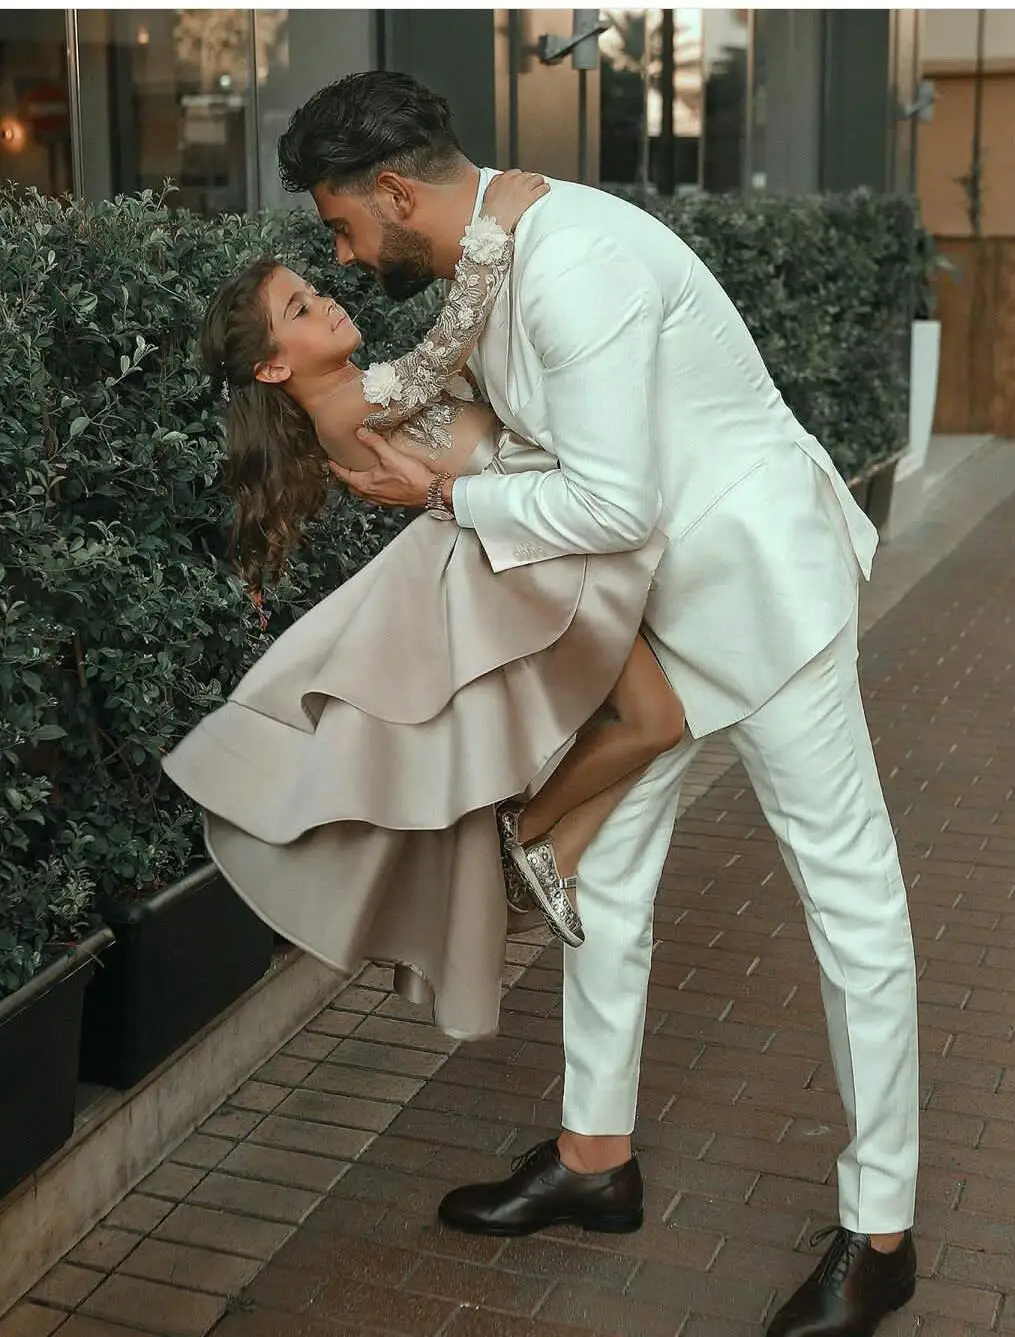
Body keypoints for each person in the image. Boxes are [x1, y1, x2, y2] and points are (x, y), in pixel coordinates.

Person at [274, 70, 921, 1337]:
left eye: (344, 225)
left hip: (762, 593)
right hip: (650, 616)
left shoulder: (572, 267)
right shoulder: (490, 251)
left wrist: (448, 499)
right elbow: (448, 397)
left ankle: (882, 1229)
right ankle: (594, 1156)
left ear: (397, 191)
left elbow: (615, 502)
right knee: (609, 877)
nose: (341, 251)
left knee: (851, 902)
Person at [163, 168, 688, 1045]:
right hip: (521, 560)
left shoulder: (357, 392)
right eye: (299, 309)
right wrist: (494, 233)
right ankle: (536, 838)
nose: (325, 299)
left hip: (528, 544)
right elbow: (442, 352)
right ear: (273, 366)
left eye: (312, 290)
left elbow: (451, 372)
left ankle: (539, 843)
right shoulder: (347, 410)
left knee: (656, 719)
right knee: (656, 719)